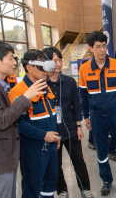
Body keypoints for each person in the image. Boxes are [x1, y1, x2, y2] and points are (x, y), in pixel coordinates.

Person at [0, 41, 45, 198]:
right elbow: (0, 120)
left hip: (4, 158)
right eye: (11, 58)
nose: (14, 62)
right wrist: (26, 97)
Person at [79, 31, 116, 196]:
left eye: (104, 46)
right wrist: (86, 116)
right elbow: (83, 95)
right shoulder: (84, 69)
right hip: (96, 117)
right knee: (101, 151)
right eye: (98, 47)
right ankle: (106, 180)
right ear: (91, 48)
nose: (102, 50)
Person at [8, 49, 61, 198]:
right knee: (32, 186)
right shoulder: (18, 92)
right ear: (29, 67)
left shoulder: (45, 86)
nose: (45, 71)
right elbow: (19, 123)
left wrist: (54, 137)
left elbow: (51, 115)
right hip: (33, 148)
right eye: (41, 66)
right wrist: (44, 135)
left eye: (47, 66)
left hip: (50, 143)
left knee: (50, 184)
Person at [42, 47, 94, 198]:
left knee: (78, 161)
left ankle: (85, 189)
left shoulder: (69, 81)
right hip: (51, 131)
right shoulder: (41, 84)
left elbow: (76, 105)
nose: (58, 63)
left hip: (70, 128)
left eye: (59, 59)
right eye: (54, 60)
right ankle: (62, 191)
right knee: (55, 164)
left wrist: (79, 126)